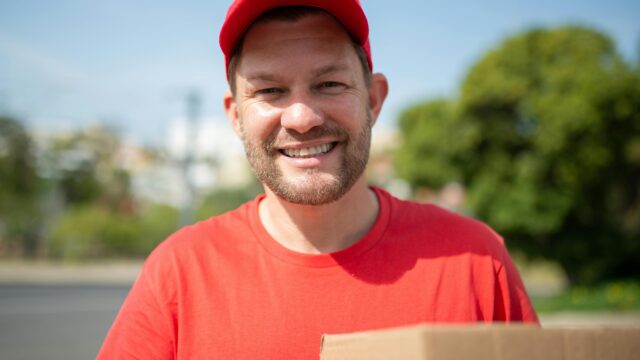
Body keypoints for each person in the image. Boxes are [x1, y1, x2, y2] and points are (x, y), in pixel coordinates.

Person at [98, 0, 538, 358]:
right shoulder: (178, 271)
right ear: (236, 115)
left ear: (373, 99)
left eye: (329, 84)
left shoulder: (476, 261)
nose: (303, 118)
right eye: (270, 91)